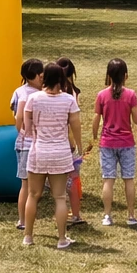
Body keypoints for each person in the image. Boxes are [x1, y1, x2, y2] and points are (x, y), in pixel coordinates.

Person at [22, 62, 81, 249]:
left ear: (44, 77)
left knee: (33, 195)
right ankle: (62, 238)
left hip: (39, 152)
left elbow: (26, 123)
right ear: (62, 79)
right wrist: (79, 145)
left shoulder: (34, 98)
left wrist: (31, 134)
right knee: (60, 197)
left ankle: (28, 236)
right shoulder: (68, 100)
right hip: (60, 153)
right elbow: (75, 125)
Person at [92, 58, 137, 226]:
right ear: (126, 76)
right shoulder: (131, 95)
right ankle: (131, 215)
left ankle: (107, 215)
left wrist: (95, 135)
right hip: (126, 142)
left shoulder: (102, 95)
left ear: (108, 76)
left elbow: (96, 118)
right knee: (129, 179)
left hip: (107, 143)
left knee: (108, 180)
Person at [10, 58, 45, 231]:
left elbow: (13, 111)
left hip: (24, 143)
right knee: (29, 186)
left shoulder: (18, 91)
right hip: (30, 143)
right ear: (38, 76)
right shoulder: (33, 94)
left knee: (27, 185)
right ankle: (24, 220)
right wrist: (24, 132)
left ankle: (23, 219)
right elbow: (19, 118)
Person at [55, 57, 86, 225]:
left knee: (57, 182)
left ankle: (61, 213)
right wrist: (77, 143)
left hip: (52, 142)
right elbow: (74, 121)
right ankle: (75, 214)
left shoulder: (48, 92)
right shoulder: (73, 92)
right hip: (68, 142)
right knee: (72, 178)